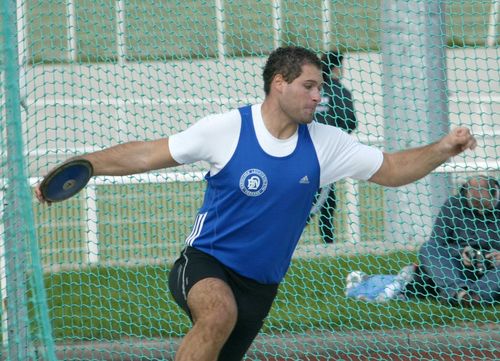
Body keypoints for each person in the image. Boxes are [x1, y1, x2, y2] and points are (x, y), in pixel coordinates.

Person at [35, 46, 477, 361]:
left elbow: (393, 170)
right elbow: (147, 153)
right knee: (217, 312)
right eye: (309, 86)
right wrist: (86, 164)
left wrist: (443, 149)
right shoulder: (224, 129)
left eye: (321, 87)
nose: (319, 96)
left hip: (261, 286)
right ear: (278, 83)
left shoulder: (327, 144)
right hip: (206, 262)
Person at [406, 175, 500, 307]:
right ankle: (461, 294)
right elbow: (437, 244)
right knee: (428, 248)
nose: (480, 211)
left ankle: (476, 295)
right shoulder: (453, 205)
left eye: (484, 204)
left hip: (493, 270)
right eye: (475, 205)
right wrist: (461, 251)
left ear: (494, 193)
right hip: (457, 268)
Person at [313, 50, 357, 243]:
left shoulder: (312, 89)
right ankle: (327, 242)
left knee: (307, 195)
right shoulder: (339, 91)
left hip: (302, 151)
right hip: (327, 153)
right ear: (337, 67)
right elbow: (350, 121)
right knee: (325, 199)